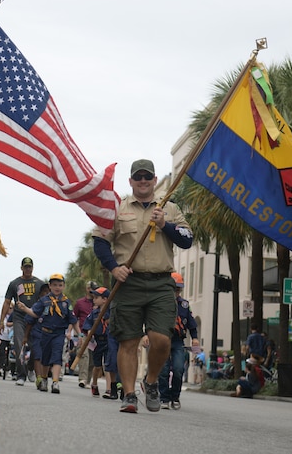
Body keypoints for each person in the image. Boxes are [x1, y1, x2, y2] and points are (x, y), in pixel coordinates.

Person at [92, 159, 193, 413]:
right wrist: (114, 267)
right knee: (128, 341)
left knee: (161, 341)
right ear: (131, 181)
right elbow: (100, 241)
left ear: (154, 179)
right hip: (129, 283)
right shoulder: (117, 208)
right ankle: (128, 395)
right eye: (138, 177)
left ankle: (150, 382)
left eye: (148, 176)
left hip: (161, 283)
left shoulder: (169, 208)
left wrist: (165, 225)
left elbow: (187, 240)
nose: (143, 181)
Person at [0, 257, 45, 386]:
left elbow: (46, 301)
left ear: (33, 268)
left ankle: (31, 368)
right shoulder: (14, 283)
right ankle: (21, 374)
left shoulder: (39, 283)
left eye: (30, 267)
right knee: (19, 345)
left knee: (36, 347)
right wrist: (1, 321)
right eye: (25, 267)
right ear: (21, 268)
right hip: (19, 318)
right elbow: (7, 302)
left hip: (34, 318)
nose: (28, 269)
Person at [159, 272, 199, 410]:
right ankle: (163, 397)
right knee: (163, 370)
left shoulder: (184, 305)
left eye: (178, 289)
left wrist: (194, 337)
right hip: (163, 339)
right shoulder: (160, 303)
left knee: (178, 369)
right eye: (174, 288)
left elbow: (191, 323)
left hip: (177, 341)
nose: (176, 292)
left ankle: (175, 396)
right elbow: (153, 321)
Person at [82, 286, 111, 397]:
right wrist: (89, 331)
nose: (94, 299)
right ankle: (94, 383)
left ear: (104, 299)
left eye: (96, 297)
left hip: (109, 341)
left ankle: (109, 388)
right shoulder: (94, 313)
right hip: (98, 341)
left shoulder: (111, 312)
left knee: (108, 365)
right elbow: (87, 324)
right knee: (97, 365)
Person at [73, 281, 97, 389]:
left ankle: (87, 380)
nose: (91, 291)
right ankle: (82, 378)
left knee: (92, 358)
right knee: (84, 355)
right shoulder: (79, 303)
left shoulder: (98, 303)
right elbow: (74, 318)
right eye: (90, 289)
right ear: (86, 289)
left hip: (96, 335)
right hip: (83, 333)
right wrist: (74, 333)